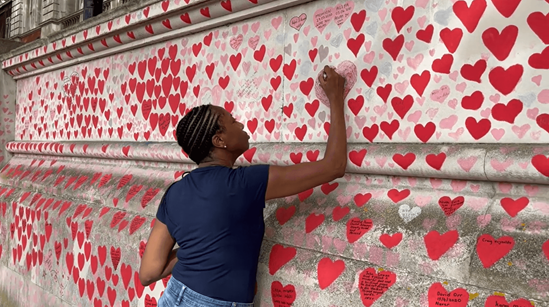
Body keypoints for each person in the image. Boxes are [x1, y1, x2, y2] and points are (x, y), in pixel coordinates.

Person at [139, 66, 348, 307]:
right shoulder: (246, 183)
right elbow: (334, 166)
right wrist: (335, 97)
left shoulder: (175, 192)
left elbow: (149, 273)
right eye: (231, 121)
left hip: (176, 295)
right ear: (219, 141)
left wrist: (194, 248)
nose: (240, 124)